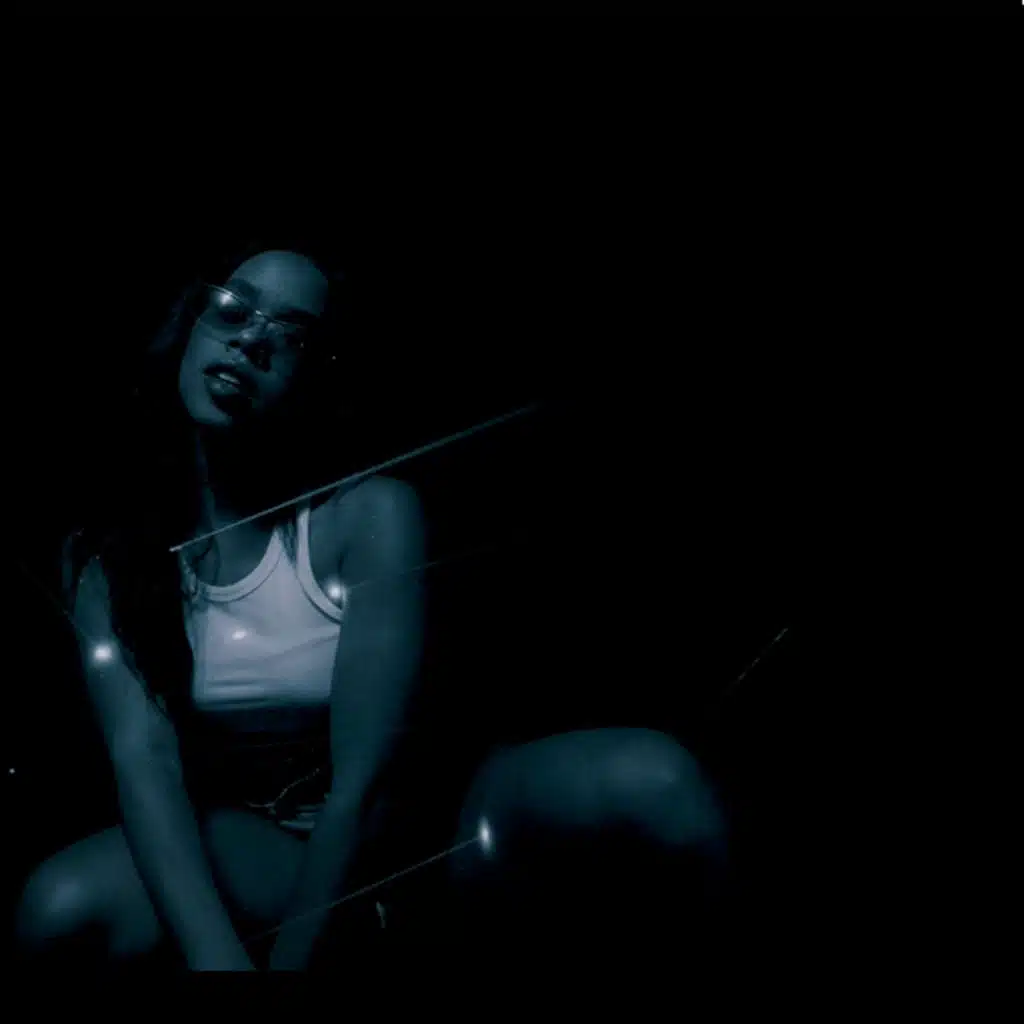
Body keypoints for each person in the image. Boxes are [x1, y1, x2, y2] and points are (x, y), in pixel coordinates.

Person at [14, 244, 728, 972]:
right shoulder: (109, 563)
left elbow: (369, 784)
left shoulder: (368, 515)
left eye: (290, 335)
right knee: (60, 906)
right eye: (233, 307)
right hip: (273, 845)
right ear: (191, 322)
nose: (252, 339)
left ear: (316, 376)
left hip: (436, 825)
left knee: (657, 779)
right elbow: (145, 767)